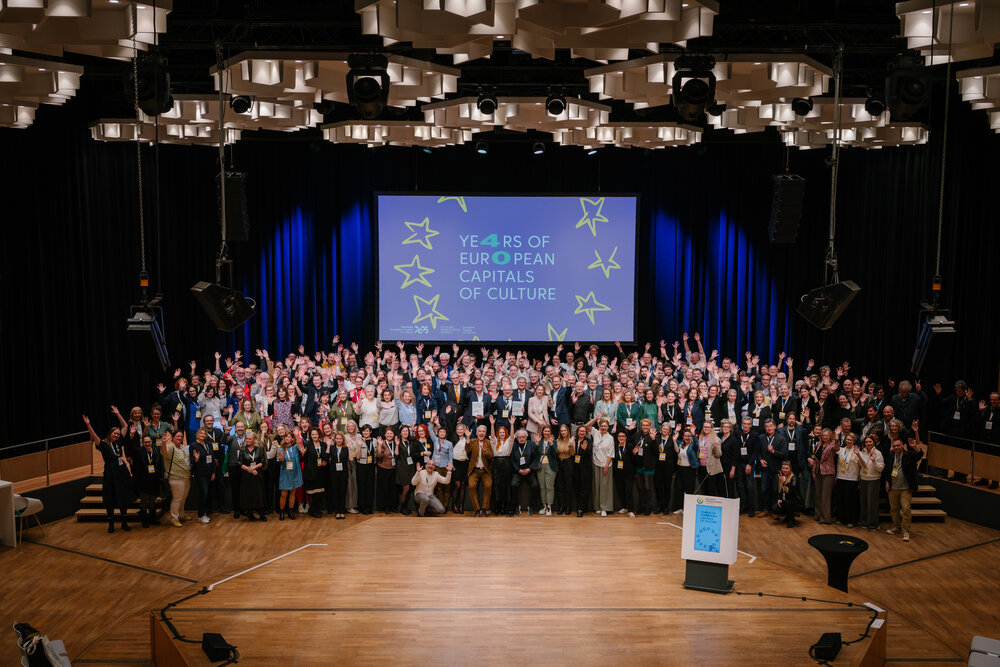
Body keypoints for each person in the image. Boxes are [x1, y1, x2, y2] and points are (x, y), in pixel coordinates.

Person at [83, 414, 135, 533]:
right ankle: (111, 524)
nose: (116, 435)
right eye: (114, 433)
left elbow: (125, 426)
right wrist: (88, 424)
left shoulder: (119, 442)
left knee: (123, 497)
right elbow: (94, 436)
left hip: (122, 472)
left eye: (118, 434)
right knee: (110, 497)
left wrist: (117, 414)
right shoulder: (103, 444)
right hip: (110, 472)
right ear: (110, 433)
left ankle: (124, 523)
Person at [885, 436, 925, 542]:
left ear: (902, 446)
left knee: (906, 510)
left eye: (898, 445)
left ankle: (905, 531)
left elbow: (919, 455)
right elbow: (887, 469)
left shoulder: (909, 455)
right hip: (893, 487)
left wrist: (915, 447)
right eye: (894, 446)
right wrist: (887, 481)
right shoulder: (890, 455)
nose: (896, 447)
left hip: (905, 488)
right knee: (894, 509)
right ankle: (896, 527)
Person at [161, 429, 191, 528]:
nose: (179, 438)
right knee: (177, 499)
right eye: (177, 436)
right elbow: (164, 452)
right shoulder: (170, 447)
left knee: (183, 498)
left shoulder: (183, 447)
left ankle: (181, 515)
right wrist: (163, 443)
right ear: (173, 438)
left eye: (181, 436)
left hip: (186, 476)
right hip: (176, 478)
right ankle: (174, 518)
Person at [131, 434, 163, 527]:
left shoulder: (156, 451)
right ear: (142, 443)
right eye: (145, 442)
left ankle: (153, 519)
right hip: (143, 481)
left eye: (148, 442)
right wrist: (132, 436)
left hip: (154, 480)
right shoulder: (139, 452)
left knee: (153, 501)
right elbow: (131, 448)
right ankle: (144, 520)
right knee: (144, 502)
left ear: (151, 442)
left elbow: (160, 464)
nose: (147, 444)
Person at [857, 435, 886, 531]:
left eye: (870, 441)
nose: (868, 443)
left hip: (873, 480)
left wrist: (874, 461)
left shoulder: (878, 453)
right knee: (863, 502)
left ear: (874, 443)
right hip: (863, 479)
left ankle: (873, 524)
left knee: (872, 503)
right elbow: (862, 464)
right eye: (866, 442)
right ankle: (864, 522)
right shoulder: (862, 452)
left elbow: (880, 468)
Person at [510, 428, 540, 516]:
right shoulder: (513, 445)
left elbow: (536, 458)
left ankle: (531, 506)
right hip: (518, 471)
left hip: (529, 470)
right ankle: (516, 506)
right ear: (517, 438)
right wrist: (518, 470)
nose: (521, 439)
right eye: (519, 437)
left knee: (535, 485)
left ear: (526, 437)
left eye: (523, 437)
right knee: (513, 485)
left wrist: (530, 469)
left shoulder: (532, 444)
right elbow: (511, 460)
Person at [812, 428, 839, 525]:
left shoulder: (832, 445)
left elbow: (837, 448)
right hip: (818, 472)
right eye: (823, 435)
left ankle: (825, 518)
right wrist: (813, 471)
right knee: (818, 496)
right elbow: (816, 459)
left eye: (826, 435)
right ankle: (818, 515)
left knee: (825, 497)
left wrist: (837, 436)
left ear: (830, 436)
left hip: (828, 473)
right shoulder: (819, 444)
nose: (824, 437)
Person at [238, 432, 267, 522]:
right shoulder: (242, 450)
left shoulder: (260, 449)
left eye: (250, 439)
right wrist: (249, 469)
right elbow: (240, 463)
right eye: (246, 439)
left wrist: (254, 468)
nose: (248, 440)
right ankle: (250, 514)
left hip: (257, 474)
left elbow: (263, 461)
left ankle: (262, 514)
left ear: (254, 440)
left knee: (259, 494)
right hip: (246, 476)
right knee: (248, 494)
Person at [189, 428, 215, 524]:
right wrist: (196, 459)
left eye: (204, 433)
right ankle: (200, 515)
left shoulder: (209, 444)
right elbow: (192, 461)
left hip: (209, 473)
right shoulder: (193, 445)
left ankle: (204, 514)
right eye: (201, 433)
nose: (202, 435)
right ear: (197, 434)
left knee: (207, 494)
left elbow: (212, 459)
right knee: (203, 494)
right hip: (200, 474)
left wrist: (213, 472)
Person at [466, 425, 494, 516]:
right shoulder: (472, 441)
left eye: (483, 431)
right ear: (477, 433)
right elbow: (467, 449)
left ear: (485, 433)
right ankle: (477, 509)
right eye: (480, 431)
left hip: (485, 471)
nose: (481, 433)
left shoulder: (488, 442)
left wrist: (485, 451)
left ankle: (485, 508)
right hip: (474, 471)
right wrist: (467, 438)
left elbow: (491, 456)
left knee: (488, 486)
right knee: (471, 486)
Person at [834, 433, 861, 527]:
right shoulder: (841, 450)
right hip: (841, 477)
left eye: (851, 440)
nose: (849, 441)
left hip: (852, 478)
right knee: (840, 499)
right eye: (848, 439)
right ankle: (840, 518)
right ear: (845, 440)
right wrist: (836, 436)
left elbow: (862, 464)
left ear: (854, 441)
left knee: (851, 501)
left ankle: (851, 520)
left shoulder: (857, 451)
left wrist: (858, 454)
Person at [302, 426, 329, 518]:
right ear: (310, 435)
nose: (314, 436)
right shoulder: (307, 445)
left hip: (321, 472)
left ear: (319, 434)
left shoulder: (323, 445)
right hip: (310, 472)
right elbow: (303, 459)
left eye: (316, 434)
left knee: (319, 493)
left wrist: (325, 461)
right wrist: (302, 453)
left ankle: (316, 509)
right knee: (311, 492)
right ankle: (313, 510)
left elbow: (325, 456)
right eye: (312, 434)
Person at [591, 418, 615, 516]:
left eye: (605, 426)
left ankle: (604, 508)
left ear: (608, 427)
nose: (603, 427)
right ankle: (597, 507)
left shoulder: (610, 438)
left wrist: (606, 466)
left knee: (605, 487)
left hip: (606, 464)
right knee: (596, 486)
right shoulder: (595, 433)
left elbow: (610, 453)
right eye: (602, 426)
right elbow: (587, 426)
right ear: (599, 426)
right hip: (595, 463)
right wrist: (596, 418)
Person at [277, 433, 303, 521]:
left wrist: (296, 434)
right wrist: (281, 459)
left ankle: (290, 511)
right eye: (286, 437)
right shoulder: (281, 448)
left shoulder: (295, 447)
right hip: (285, 473)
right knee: (283, 495)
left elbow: (299, 443)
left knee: (292, 494)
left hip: (294, 473)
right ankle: (281, 511)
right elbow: (280, 461)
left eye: (289, 437)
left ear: (292, 439)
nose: (287, 438)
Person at [654, 421, 677, 512]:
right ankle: (660, 505)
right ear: (661, 429)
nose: (664, 430)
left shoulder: (672, 439)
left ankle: (666, 506)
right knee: (658, 486)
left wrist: (674, 469)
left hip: (668, 467)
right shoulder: (656, 438)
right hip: (658, 466)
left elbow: (676, 453)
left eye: (666, 429)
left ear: (669, 431)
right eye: (663, 428)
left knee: (667, 486)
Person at [355, 424, 377, 515]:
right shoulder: (359, 440)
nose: (365, 432)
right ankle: (362, 507)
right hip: (361, 466)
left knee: (370, 487)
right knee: (362, 487)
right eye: (364, 431)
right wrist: (359, 446)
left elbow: (377, 454)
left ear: (370, 432)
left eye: (367, 431)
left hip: (371, 465)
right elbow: (357, 457)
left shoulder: (375, 441)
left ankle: (369, 507)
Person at [327, 431, 350, 519]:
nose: (339, 440)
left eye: (340, 438)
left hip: (344, 473)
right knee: (335, 492)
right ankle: (337, 511)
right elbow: (326, 456)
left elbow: (351, 459)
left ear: (343, 439)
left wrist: (349, 448)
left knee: (343, 491)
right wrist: (328, 446)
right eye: (337, 438)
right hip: (333, 472)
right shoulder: (332, 448)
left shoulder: (345, 448)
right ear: (335, 439)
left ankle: (342, 511)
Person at [376, 425, 399, 513]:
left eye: (391, 433)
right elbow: (379, 455)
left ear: (393, 434)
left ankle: (393, 506)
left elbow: (396, 455)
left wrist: (397, 445)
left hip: (393, 469)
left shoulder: (395, 443)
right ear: (385, 435)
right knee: (384, 488)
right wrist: (379, 445)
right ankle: (386, 506)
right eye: (388, 433)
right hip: (383, 469)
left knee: (393, 489)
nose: (389, 435)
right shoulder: (382, 443)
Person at [554, 424, 576, 515]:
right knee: (559, 485)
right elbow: (555, 452)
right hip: (559, 463)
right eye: (561, 431)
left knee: (568, 485)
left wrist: (571, 445)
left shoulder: (571, 440)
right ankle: (561, 506)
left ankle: (568, 507)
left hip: (568, 463)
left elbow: (572, 454)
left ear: (568, 431)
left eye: (565, 430)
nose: (563, 432)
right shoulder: (557, 441)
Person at [773, 460, 802, 527]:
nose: (785, 470)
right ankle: (788, 516)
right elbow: (780, 491)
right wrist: (779, 499)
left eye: (787, 468)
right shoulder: (781, 477)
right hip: (786, 500)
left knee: (788, 503)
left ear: (790, 469)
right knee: (775, 508)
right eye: (783, 468)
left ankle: (791, 520)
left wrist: (785, 482)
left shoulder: (794, 477)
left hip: (795, 501)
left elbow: (793, 489)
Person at [448, 422, 469, 513]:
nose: (460, 431)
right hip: (456, 463)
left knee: (463, 485)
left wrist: (468, 438)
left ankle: (461, 506)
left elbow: (469, 449)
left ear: (464, 430)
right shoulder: (453, 438)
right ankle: (454, 505)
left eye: (461, 429)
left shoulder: (467, 438)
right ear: (456, 430)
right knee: (457, 485)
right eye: (458, 429)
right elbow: (450, 451)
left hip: (464, 463)